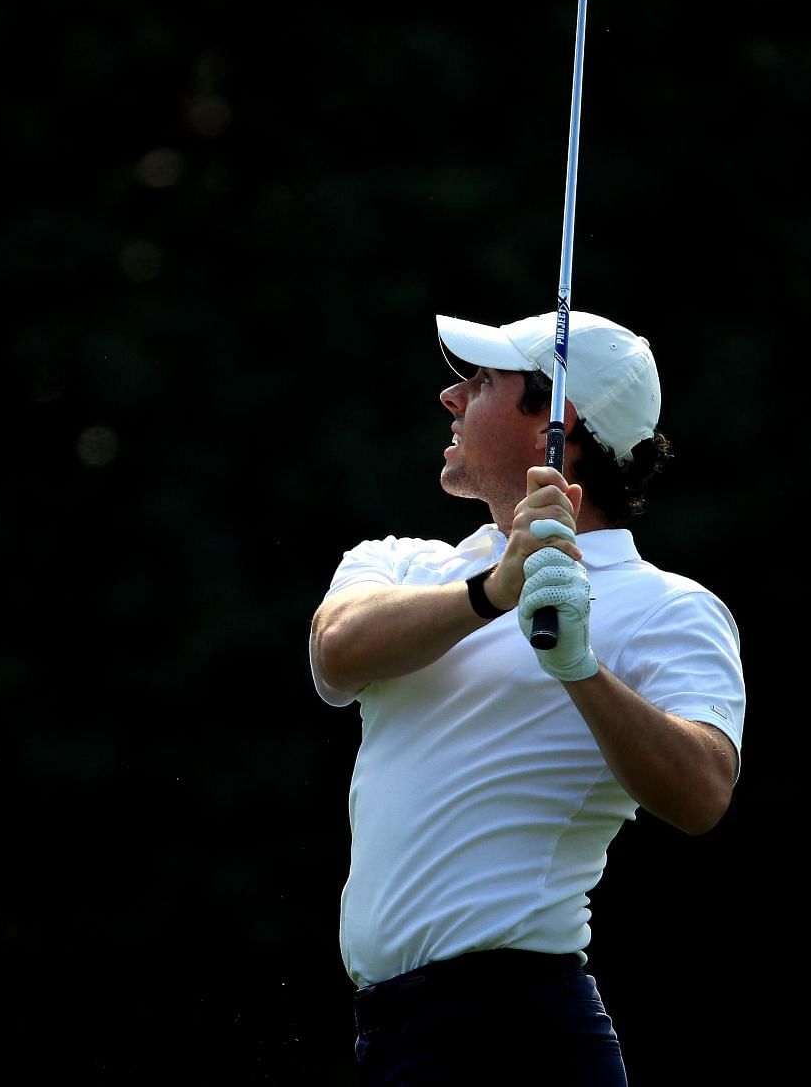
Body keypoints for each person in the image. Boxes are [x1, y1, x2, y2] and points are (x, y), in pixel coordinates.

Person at [307, 307, 746, 1085]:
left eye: (479, 381)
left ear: (556, 420)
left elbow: (703, 790)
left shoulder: (670, 607)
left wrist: (580, 668)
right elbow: (335, 652)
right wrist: (493, 591)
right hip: (389, 1040)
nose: (451, 397)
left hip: (518, 1036)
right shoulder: (405, 565)